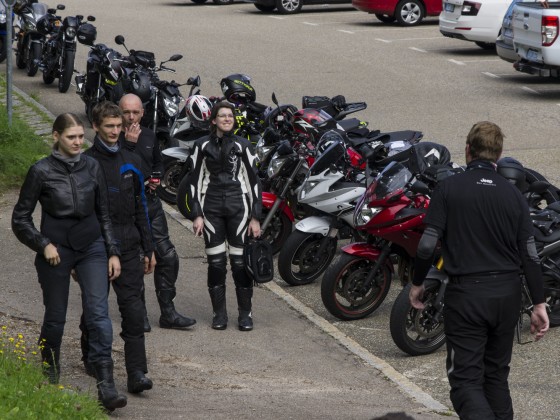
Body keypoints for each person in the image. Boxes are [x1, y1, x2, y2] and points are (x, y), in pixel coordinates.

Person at [409, 121, 549, 420]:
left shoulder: (449, 188)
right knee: (496, 376)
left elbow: (426, 245)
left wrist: (417, 283)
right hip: (508, 295)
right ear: (497, 156)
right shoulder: (513, 196)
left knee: (465, 382)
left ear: (468, 150)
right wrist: (539, 303)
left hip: (468, 295)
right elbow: (530, 254)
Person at [11, 113, 127, 411]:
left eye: (80, 136)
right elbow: (20, 218)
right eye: (71, 137)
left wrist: (112, 251)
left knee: (99, 314)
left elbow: (104, 214)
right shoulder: (41, 171)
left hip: (92, 246)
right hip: (56, 248)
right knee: (56, 317)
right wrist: (43, 244)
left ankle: (106, 386)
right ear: (56, 137)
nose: (78, 142)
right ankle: (50, 379)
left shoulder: (92, 166)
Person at [84, 101, 155, 394]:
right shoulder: (87, 163)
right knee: (95, 311)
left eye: (118, 126)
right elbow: (82, 213)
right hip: (95, 248)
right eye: (109, 126)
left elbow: (142, 207)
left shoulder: (132, 161)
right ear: (96, 127)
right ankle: (94, 359)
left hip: (129, 246)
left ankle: (136, 372)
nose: (115, 131)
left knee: (134, 311)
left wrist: (149, 248)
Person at [119, 93, 196, 332]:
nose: (131, 117)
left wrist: (156, 177)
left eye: (135, 112)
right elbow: (116, 166)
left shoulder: (150, 136)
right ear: (119, 113)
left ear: (142, 112)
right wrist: (129, 144)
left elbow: (157, 163)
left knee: (168, 257)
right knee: (137, 261)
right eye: (126, 112)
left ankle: (168, 313)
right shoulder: (113, 137)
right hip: (127, 210)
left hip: (151, 205)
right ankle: (138, 314)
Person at [183, 101, 262, 331]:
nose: (227, 119)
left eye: (230, 116)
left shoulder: (244, 145)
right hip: (211, 209)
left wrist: (255, 217)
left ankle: (245, 315)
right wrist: (196, 215)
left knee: (240, 265)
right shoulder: (201, 145)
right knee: (216, 265)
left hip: (240, 208)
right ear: (214, 120)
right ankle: (220, 315)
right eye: (222, 115)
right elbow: (193, 181)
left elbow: (254, 182)